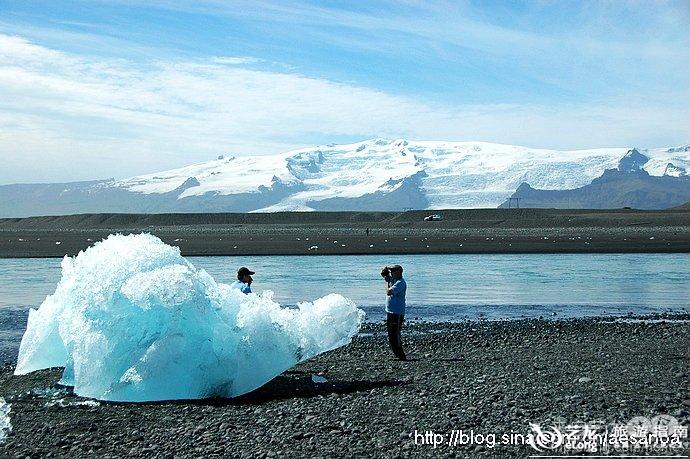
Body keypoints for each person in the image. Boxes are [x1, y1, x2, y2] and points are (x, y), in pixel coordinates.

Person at [381, 264, 407, 360]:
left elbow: (389, 292)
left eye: (393, 271)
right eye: (391, 271)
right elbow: (387, 279)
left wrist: (386, 283)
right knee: (391, 333)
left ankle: (401, 355)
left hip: (397, 312)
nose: (391, 273)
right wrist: (385, 275)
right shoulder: (394, 280)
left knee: (395, 334)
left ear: (399, 272)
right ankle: (397, 354)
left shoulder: (400, 282)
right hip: (390, 311)